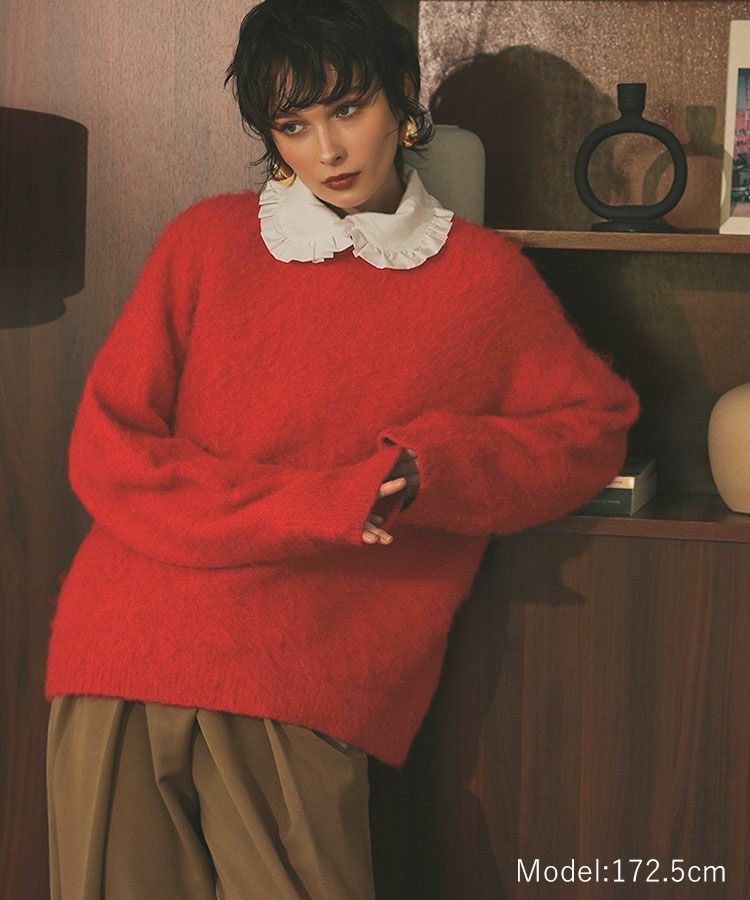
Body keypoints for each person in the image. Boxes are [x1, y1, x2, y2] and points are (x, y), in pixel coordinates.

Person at [44, 1, 641, 898]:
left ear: (401, 96)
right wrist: (314, 505)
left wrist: (432, 468)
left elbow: (592, 430)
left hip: (304, 675)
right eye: (293, 125)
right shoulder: (207, 242)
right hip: (121, 651)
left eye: (347, 109)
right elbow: (108, 451)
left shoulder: (481, 280)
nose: (326, 150)